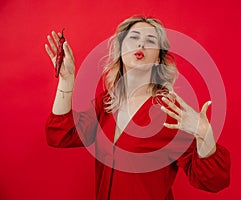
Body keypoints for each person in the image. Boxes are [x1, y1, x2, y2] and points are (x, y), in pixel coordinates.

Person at [45, 16, 230, 200]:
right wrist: (67, 78)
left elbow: (213, 181)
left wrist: (204, 134)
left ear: (158, 58)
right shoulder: (107, 103)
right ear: (120, 50)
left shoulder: (170, 112)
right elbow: (61, 134)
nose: (141, 43)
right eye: (133, 37)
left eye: (150, 40)